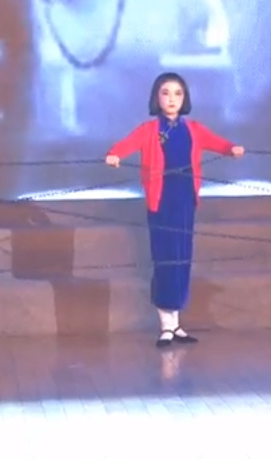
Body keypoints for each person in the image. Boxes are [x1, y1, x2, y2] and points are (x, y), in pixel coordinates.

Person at [104, 72, 245, 347]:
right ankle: (165, 326)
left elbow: (218, 143)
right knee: (165, 258)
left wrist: (232, 149)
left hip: (185, 202)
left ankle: (176, 323)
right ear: (156, 98)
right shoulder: (149, 130)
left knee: (182, 258)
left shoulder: (193, 129)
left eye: (177, 93)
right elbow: (125, 145)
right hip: (161, 202)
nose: (171, 99)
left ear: (185, 98)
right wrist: (114, 154)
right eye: (165, 93)